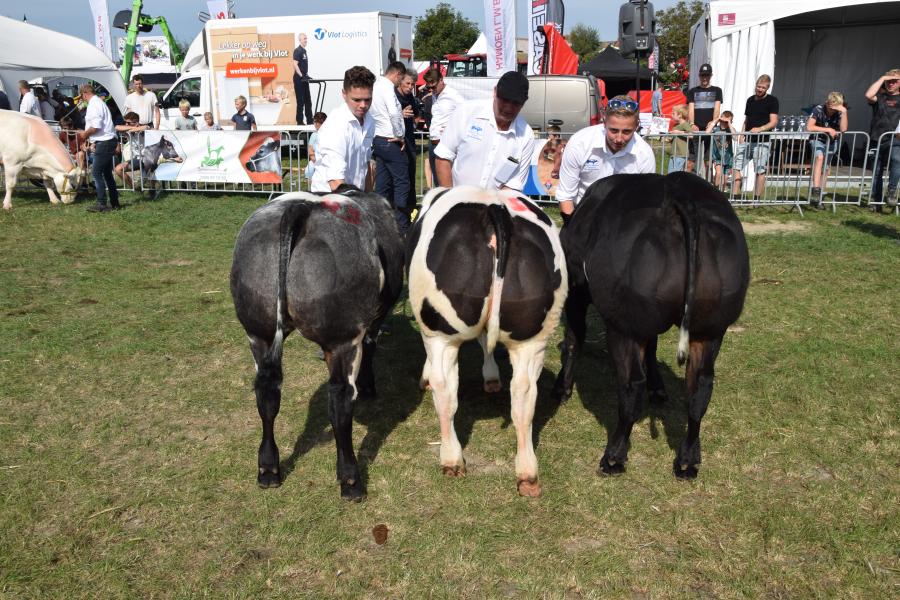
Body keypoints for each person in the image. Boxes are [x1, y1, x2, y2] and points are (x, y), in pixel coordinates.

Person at [555, 95, 656, 220]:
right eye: (613, 130)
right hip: (582, 215)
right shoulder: (579, 143)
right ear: (604, 123)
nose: (619, 138)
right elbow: (566, 197)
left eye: (626, 132)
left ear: (636, 126)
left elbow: (645, 202)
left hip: (623, 219)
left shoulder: (644, 154)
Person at [434, 71, 535, 192]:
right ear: (494, 92)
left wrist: (493, 209)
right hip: (457, 204)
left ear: (524, 102)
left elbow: (513, 186)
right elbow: (443, 158)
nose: (508, 107)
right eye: (504, 100)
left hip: (495, 207)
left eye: (515, 103)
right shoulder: (466, 112)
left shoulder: (526, 136)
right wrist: (450, 201)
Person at [310, 66, 375, 193]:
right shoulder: (336, 126)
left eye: (367, 99)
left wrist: (368, 200)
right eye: (356, 100)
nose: (363, 105)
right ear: (344, 94)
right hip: (329, 199)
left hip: (355, 197)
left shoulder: (369, 120)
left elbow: (365, 165)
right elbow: (335, 182)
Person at [371, 61, 413, 231]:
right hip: (390, 140)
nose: (399, 83)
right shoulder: (388, 88)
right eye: (401, 79)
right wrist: (400, 136)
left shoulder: (375, 86)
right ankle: (401, 226)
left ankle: (380, 223)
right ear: (397, 75)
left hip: (379, 139)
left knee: (383, 184)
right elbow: (394, 113)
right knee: (402, 183)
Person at [732, 74, 779, 201]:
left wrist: (760, 129)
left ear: (767, 88)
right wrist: (742, 134)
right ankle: (735, 197)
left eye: (763, 88)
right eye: (758, 86)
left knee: (760, 170)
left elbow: (774, 121)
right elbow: (747, 119)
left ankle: (756, 199)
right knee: (736, 166)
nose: (760, 89)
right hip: (747, 140)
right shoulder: (750, 100)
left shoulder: (772, 101)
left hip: (763, 141)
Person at [78, 83, 119, 212]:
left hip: (105, 142)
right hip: (107, 140)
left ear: (84, 94)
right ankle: (114, 202)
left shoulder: (93, 105)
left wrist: (84, 135)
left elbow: (96, 126)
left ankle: (102, 203)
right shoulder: (99, 102)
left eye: (82, 95)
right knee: (107, 174)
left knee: (96, 173)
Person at [806, 91, 849, 209]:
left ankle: (819, 198)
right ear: (827, 103)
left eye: (836, 106)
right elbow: (809, 127)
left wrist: (844, 112)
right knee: (820, 158)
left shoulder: (840, 112)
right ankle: (815, 189)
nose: (833, 109)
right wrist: (827, 129)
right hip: (817, 139)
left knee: (825, 169)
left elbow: (843, 129)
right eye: (831, 106)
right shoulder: (818, 109)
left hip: (832, 142)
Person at [865, 69, 900, 210]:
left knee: (897, 160)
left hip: (895, 138)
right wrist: (883, 77)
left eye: (894, 81)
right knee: (876, 170)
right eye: (888, 81)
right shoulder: (880, 96)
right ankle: (876, 201)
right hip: (876, 138)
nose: (891, 83)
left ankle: (891, 192)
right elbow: (868, 95)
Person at [425, 67, 465, 186]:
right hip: (433, 142)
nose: (431, 90)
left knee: (447, 183)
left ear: (441, 80)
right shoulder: (434, 95)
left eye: (433, 86)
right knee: (438, 183)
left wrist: (453, 128)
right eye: (429, 87)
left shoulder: (453, 94)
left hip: (446, 144)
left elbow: (466, 112)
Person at [686, 63, 723, 173]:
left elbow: (717, 109)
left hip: (710, 129)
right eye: (702, 75)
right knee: (691, 160)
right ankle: (688, 185)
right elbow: (691, 109)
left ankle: (707, 184)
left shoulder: (717, 90)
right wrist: (692, 124)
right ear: (699, 76)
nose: (704, 78)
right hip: (696, 129)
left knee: (708, 161)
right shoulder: (692, 91)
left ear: (711, 75)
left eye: (707, 75)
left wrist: (712, 123)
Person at [396, 69, 421, 199]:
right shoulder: (393, 95)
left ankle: (411, 208)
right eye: (408, 83)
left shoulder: (410, 96)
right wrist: (400, 115)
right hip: (396, 142)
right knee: (400, 178)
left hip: (410, 140)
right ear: (400, 81)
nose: (410, 87)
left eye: (413, 84)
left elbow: (416, 114)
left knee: (411, 174)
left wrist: (414, 125)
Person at [113, 111, 148, 188]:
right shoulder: (129, 129)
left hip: (148, 158)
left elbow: (146, 127)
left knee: (148, 181)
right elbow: (116, 127)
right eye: (125, 122)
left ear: (136, 122)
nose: (126, 124)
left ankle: (151, 189)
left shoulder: (144, 128)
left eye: (128, 123)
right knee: (118, 169)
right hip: (136, 159)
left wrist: (135, 128)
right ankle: (134, 188)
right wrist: (133, 128)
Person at [710, 111, 736, 192]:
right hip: (717, 156)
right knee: (718, 174)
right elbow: (707, 131)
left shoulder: (730, 129)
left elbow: (735, 137)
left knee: (724, 179)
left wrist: (729, 123)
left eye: (727, 122)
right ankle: (715, 193)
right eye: (722, 121)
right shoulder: (715, 129)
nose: (724, 123)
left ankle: (721, 194)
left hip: (728, 157)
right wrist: (716, 119)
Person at [292, 33, 313, 126]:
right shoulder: (298, 50)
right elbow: (295, 64)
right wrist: (301, 76)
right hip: (299, 79)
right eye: (304, 38)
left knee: (308, 100)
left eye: (306, 38)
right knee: (301, 101)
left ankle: (310, 120)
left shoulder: (304, 51)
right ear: (300, 40)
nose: (306, 40)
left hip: (304, 78)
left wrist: (306, 75)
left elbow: (302, 65)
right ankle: (299, 122)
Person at [666, 104, 693, 173]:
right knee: (670, 173)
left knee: (676, 173)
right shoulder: (675, 125)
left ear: (680, 115)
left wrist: (679, 132)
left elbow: (691, 135)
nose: (672, 115)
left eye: (673, 113)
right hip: (674, 153)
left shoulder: (685, 124)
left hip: (681, 153)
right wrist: (669, 139)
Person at [304, 111, 327, 182]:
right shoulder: (314, 135)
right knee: (309, 170)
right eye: (315, 122)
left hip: (326, 160)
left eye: (319, 122)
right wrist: (313, 158)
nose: (316, 124)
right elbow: (310, 148)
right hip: (315, 160)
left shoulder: (329, 134)